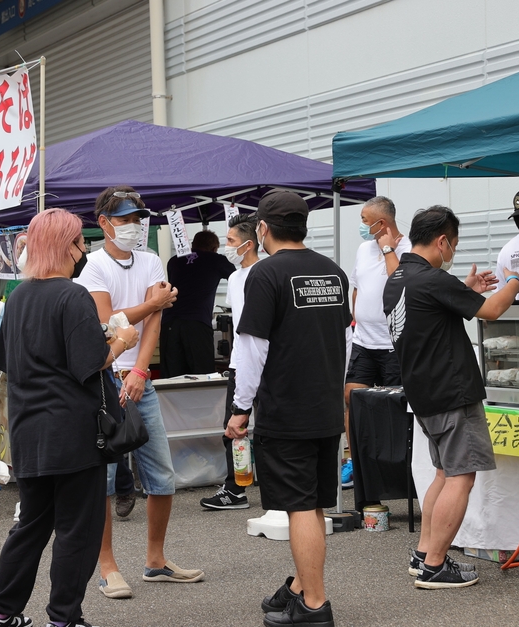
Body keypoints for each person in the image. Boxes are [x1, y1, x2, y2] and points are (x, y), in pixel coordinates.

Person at [0, 208, 140, 627]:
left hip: (28, 429)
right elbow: (90, 364)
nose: (83, 249)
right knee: (77, 529)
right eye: (78, 241)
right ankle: (64, 617)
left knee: (32, 525)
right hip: (73, 431)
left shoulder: (18, 296)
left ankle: (2, 612)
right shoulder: (72, 295)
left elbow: (10, 361)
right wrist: (122, 339)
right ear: (65, 246)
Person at [225, 190, 352, 627]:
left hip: (287, 408)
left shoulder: (265, 274)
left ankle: (314, 604)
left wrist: (241, 408)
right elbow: (346, 340)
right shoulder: (333, 272)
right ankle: (301, 586)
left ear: (262, 229)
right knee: (313, 504)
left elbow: (253, 349)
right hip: (325, 406)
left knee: (299, 507)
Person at [75, 185, 204, 600]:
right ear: (105, 224)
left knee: (162, 474)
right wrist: (153, 305)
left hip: (138, 379)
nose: (134, 226)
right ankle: (107, 566)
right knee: (106, 480)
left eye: (137, 218)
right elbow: (104, 322)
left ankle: (155, 560)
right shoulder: (92, 266)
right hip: (105, 377)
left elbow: (151, 327)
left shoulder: (150, 259)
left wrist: (142, 371)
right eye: (125, 218)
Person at [383, 205, 519, 589]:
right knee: (461, 476)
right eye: (454, 246)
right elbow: (493, 309)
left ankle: (424, 552)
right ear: (442, 241)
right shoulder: (431, 279)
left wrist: (466, 290)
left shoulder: (398, 277)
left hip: (423, 392)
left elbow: (431, 316)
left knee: (443, 473)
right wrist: (513, 281)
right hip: (452, 391)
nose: (453, 253)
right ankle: (436, 565)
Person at [200, 213, 259, 511]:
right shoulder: (235, 277)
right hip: (239, 361)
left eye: (231, 241)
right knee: (233, 426)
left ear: (248, 244)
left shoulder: (267, 272)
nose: (227, 246)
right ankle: (235, 488)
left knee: (272, 428)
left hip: (268, 361)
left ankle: (278, 485)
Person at [345, 196, 410, 461]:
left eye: (364, 220)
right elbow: (357, 288)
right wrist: (355, 318)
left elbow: (400, 284)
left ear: (381, 223)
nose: (361, 225)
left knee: (394, 407)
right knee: (351, 398)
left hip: (392, 343)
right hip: (363, 341)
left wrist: (388, 250)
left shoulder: (408, 248)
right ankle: (356, 461)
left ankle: (393, 465)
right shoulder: (363, 249)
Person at [160, 230, 234, 377]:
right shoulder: (217, 259)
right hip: (197, 323)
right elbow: (236, 278)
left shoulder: (174, 260)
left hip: (169, 323)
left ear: (193, 244)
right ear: (214, 248)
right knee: (201, 375)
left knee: (172, 376)